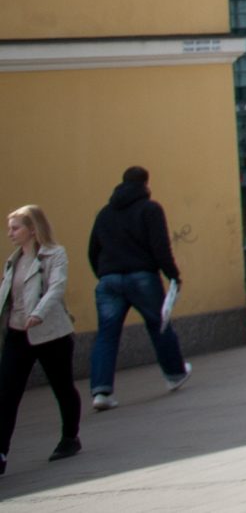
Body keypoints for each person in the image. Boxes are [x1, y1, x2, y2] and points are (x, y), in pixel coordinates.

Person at [85, 167, 186, 407]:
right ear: (145, 183)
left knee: (107, 335)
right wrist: (173, 275)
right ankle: (174, 374)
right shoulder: (150, 209)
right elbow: (160, 247)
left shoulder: (104, 214)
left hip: (108, 280)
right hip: (142, 277)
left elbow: (92, 250)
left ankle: (101, 391)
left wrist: (104, 273)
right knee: (158, 325)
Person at [1, 206, 80, 473]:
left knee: (63, 387)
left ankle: (70, 438)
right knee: (6, 394)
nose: (10, 233)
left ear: (33, 229)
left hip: (49, 333)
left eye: (15, 228)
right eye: (10, 228)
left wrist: (38, 313)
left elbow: (57, 287)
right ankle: (0, 452)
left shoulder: (54, 255)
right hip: (17, 333)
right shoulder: (13, 260)